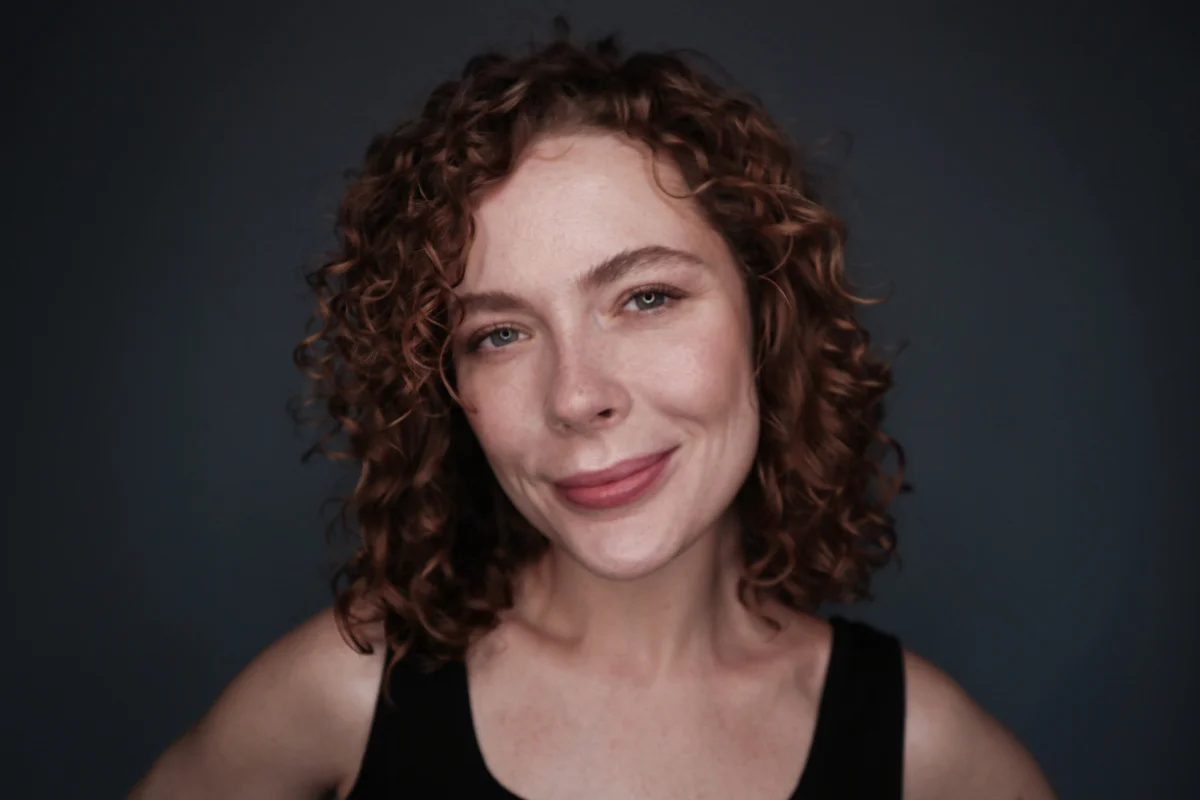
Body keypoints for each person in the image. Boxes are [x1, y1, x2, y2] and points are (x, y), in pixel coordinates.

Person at [128, 21, 1057, 800]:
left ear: (767, 318)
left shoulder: (927, 756)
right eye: (499, 334)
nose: (576, 396)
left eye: (646, 297)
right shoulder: (344, 694)